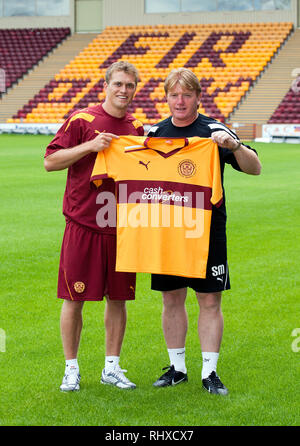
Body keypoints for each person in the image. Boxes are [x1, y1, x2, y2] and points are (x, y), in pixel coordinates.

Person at [147, 67, 261, 395]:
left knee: (209, 300)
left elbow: (255, 168)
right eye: (174, 94)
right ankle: (177, 368)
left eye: (186, 94)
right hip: (167, 231)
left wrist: (235, 145)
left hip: (207, 231)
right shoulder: (155, 133)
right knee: (171, 298)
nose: (180, 101)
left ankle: (209, 372)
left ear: (198, 97)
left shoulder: (214, 130)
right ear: (167, 97)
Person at [44, 61, 144, 391]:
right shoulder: (82, 120)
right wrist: (90, 145)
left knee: (118, 299)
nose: (123, 90)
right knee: (74, 298)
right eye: (118, 84)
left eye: (130, 85)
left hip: (121, 228)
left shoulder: (138, 127)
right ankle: (70, 368)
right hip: (83, 224)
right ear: (106, 85)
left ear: (135, 89)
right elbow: (50, 161)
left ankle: (111, 367)